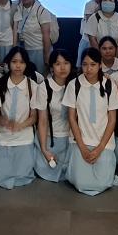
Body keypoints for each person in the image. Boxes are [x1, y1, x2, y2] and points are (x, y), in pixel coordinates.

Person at [64, 50, 118, 195]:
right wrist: (82, 147)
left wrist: (100, 148)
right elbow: (72, 118)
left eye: (93, 64)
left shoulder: (109, 85)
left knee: (103, 183)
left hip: (104, 142)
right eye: (85, 64)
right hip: (80, 141)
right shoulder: (74, 85)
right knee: (80, 183)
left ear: (100, 65)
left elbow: (112, 120)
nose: (88, 69)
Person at [0, 47, 42, 188]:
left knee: (23, 175)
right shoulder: (0, 85)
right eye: (14, 62)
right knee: (2, 175)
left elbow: (34, 116)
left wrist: (20, 125)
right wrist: (5, 122)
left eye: (21, 62)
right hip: (4, 135)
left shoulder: (33, 86)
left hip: (24, 135)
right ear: (8, 63)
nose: (18, 65)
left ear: (26, 64)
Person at [35, 48, 75, 182]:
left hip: (71, 138)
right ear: (51, 67)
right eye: (58, 64)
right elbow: (42, 121)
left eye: (66, 63)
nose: (62, 68)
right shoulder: (44, 87)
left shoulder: (76, 85)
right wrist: (44, 149)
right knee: (45, 170)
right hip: (50, 138)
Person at [13, 0, 57, 73]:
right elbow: (7, 1)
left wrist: (47, 57)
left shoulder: (42, 11)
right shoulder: (20, 7)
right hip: (25, 50)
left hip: (39, 51)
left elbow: (46, 36)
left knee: (39, 76)